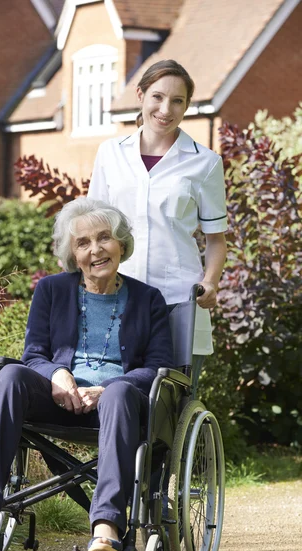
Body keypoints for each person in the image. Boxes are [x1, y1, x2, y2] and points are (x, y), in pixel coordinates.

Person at [0, 198, 173, 551]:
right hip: (55, 399)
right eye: (83, 243)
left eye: (104, 238)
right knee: (9, 376)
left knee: (120, 394)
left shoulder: (149, 300)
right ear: (72, 253)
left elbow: (158, 367)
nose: (96, 249)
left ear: (121, 244)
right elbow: (34, 354)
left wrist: (108, 387)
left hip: (116, 408)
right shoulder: (52, 290)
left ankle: (107, 527)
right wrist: (58, 374)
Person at [88, 59, 227, 390]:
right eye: (158, 97)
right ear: (141, 95)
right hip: (116, 296)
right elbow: (91, 226)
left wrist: (210, 282)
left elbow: (216, 240)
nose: (166, 109)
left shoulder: (205, 163)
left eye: (178, 101)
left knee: (171, 404)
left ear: (186, 106)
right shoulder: (110, 153)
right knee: (112, 395)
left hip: (179, 301)